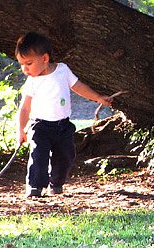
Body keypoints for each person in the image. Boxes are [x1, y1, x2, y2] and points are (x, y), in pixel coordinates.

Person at [16, 32, 114, 198]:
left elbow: (78, 87)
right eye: (21, 65)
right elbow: (25, 108)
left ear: (45, 59)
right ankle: (35, 187)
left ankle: (56, 183)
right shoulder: (32, 81)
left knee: (66, 156)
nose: (25, 70)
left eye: (29, 64)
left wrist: (98, 98)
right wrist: (20, 129)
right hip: (40, 126)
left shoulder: (62, 70)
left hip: (63, 125)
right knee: (39, 155)